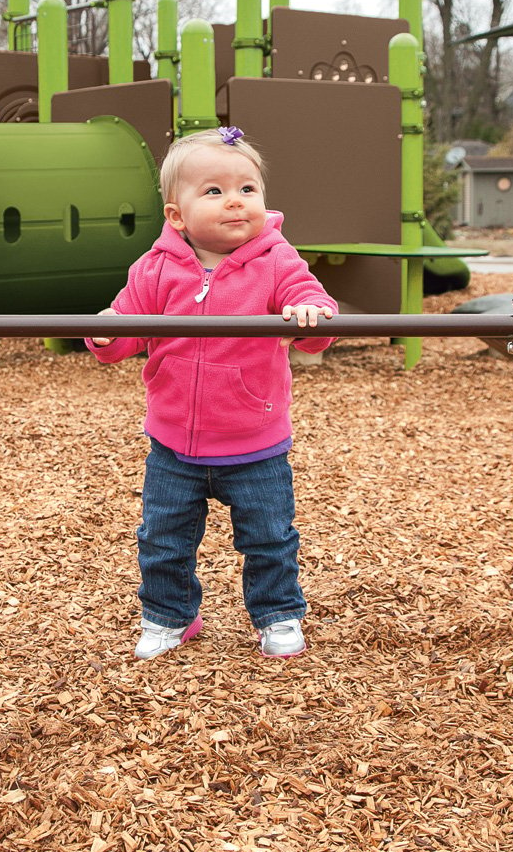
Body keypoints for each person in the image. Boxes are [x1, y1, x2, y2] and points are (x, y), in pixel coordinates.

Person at [86, 126, 337, 661]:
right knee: (163, 538)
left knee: (269, 538)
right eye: (215, 191)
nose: (235, 202)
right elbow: (126, 330)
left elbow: (313, 314)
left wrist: (309, 314)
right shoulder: (154, 268)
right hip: (174, 443)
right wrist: (105, 330)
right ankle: (168, 615)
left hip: (255, 441)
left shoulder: (276, 260)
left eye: (247, 189)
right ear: (177, 215)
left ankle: (277, 614)